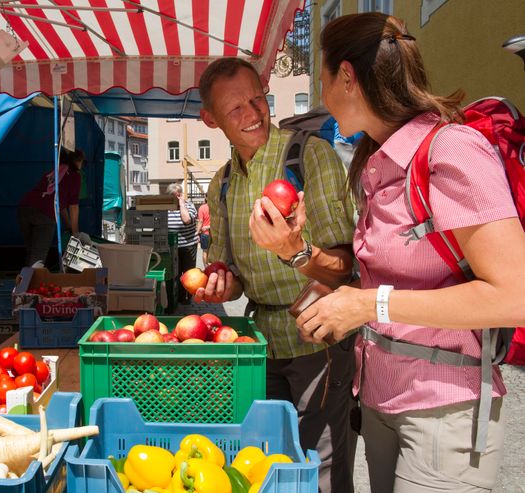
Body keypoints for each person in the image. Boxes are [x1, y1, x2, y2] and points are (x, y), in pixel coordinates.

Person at [296, 13, 525, 493]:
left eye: (322, 79)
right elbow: (406, 278)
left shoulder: (452, 150)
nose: (322, 96)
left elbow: (514, 296)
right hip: (381, 401)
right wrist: (329, 284)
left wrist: (366, 304)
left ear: (347, 77)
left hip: (444, 408)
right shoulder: (377, 161)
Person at [197, 57, 357, 492]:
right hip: (261, 346)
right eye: (235, 109)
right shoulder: (223, 183)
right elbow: (229, 270)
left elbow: (346, 267)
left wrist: (295, 251)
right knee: (265, 466)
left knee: (322, 467)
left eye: (257, 98)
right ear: (210, 119)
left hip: (318, 343)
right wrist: (223, 283)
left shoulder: (310, 157)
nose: (252, 114)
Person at [17, 148, 88, 267]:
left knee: (32, 252)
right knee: (37, 259)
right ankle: (31, 284)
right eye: (83, 161)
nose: (82, 164)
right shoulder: (75, 176)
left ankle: (24, 282)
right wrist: (75, 234)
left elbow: (60, 205)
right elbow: (73, 206)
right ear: (77, 161)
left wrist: (68, 225)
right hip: (45, 215)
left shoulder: (56, 171)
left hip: (25, 208)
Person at [166, 182, 199, 304]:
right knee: (175, 272)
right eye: (172, 196)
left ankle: (186, 297)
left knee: (188, 273)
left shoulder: (189, 206)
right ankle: (175, 296)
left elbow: (186, 219)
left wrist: (181, 204)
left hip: (188, 245)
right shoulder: (165, 208)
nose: (175, 198)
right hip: (171, 246)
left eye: (177, 195)